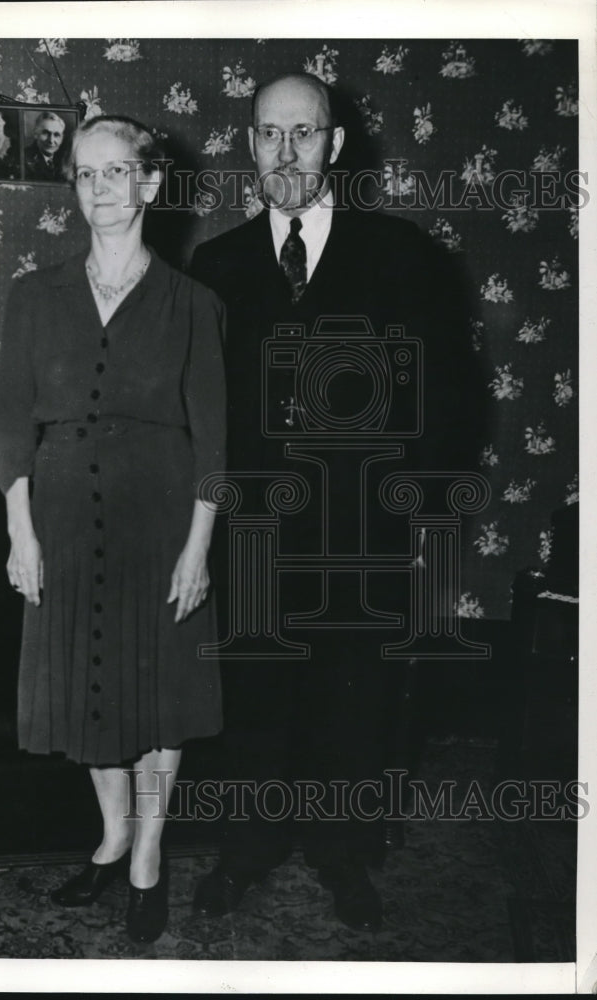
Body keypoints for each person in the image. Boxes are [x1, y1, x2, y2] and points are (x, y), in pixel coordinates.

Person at [190, 73, 482, 933]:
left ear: (335, 146)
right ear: (249, 145)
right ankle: (244, 850)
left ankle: (342, 852)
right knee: (253, 697)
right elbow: (199, 412)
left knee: (351, 700)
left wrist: (418, 509)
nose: (286, 152)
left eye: (304, 134)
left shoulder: (401, 255)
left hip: (364, 530)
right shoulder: (215, 267)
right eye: (269, 133)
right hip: (250, 533)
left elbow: (450, 396)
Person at [0, 114, 226, 944]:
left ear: (150, 184)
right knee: (87, 691)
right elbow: (13, 427)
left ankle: (148, 855)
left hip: (160, 524)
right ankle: (112, 832)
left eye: (118, 172)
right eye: (86, 174)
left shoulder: (192, 304)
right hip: (59, 521)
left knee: (157, 700)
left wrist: (197, 548)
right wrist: (21, 534)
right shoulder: (33, 295)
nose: (101, 189)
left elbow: (213, 443)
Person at [24, 110, 67, 181]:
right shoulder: (24, 158)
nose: (51, 140)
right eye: (46, 133)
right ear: (35, 134)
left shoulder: (65, 159)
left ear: (62, 138)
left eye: (56, 135)